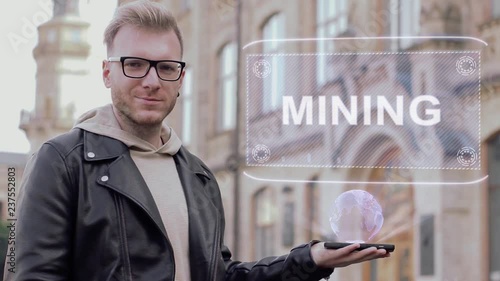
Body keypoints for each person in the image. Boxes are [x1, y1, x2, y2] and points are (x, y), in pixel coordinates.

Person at [4, 1, 390, 280]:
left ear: (180, 78)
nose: (152, 80)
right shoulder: (61, 161)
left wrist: (310, 259)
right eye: (134, 64)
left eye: (166, 67)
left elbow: (221, 275)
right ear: (107, 73)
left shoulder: (197, 175)